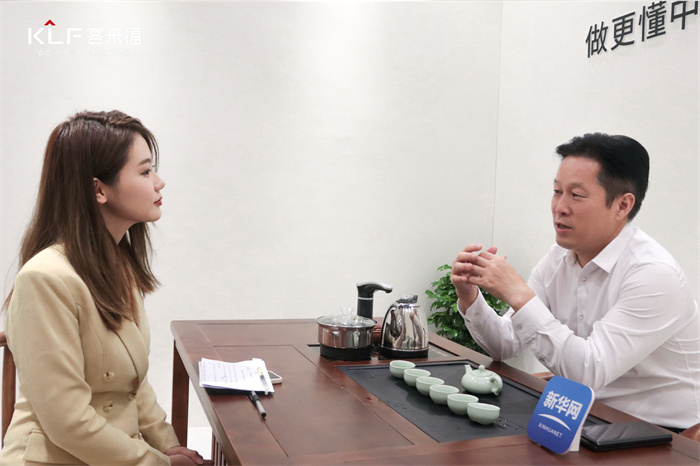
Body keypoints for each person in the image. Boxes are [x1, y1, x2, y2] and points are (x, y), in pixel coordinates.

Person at [450, 133, 699, 431]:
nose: (560, 206)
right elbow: (506, 345)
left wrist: (518, 294)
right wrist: (469, 295)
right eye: (557, 191)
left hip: (660, 434)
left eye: (576, 195)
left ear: (622, 205)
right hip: (581, 418)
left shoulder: (653, 275)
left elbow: (587, 372)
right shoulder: (558, 259)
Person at [1, 111, 204, 465]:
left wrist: (167, 444)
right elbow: (68, 423)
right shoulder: (45, 279)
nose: (159, 183)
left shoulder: (119, 265)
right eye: (145, 171)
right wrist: (159, 462)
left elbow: (132, 384)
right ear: (98, 190)